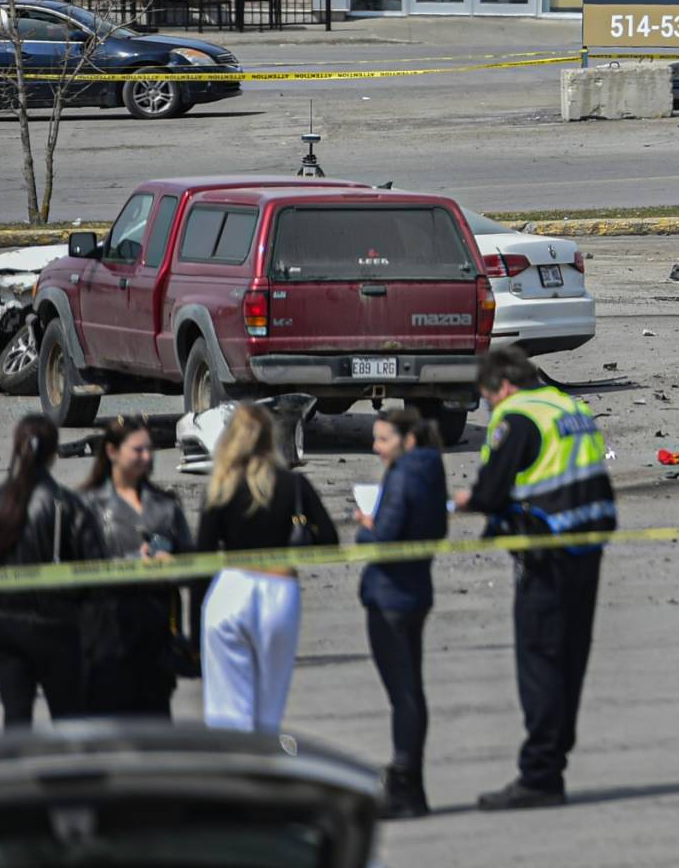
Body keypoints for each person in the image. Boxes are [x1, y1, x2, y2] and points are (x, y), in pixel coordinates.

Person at [458, 345, 615, 810]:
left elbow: (491, 492)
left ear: (503, 386)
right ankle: (554, 759)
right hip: (588, 545)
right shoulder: (569, 407)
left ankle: (540, 774)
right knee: (570, 658)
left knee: (540, 660)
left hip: (547, 554)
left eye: (488, 398)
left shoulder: (519, 416)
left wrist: (469, 500)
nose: (490, 408)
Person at [194, 402, 338, 733]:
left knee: (227, 711)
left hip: (231, 588)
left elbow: (202, 559)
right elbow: (329, 540)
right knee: (268, 711)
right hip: (278, 588)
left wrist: (193, 630)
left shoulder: (220, 487)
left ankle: (234, 761)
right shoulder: (292, 484)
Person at [0, 415, 104, 727]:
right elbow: (96, 573)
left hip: (5, 629)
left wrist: (1, 597)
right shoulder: (68, 506)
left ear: (17, 448)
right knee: (70, 721)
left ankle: (18, 761)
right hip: (59, 630)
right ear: (53, 455)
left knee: (16, 720)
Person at [357, 406, 447, 820]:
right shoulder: (432, 469)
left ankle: (405, 785)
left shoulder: (403, 474)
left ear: (407, 440)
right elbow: (438, 529)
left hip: (390, 597)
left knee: (403, 695)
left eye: (384, 439)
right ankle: (413, 785)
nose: (377, 448)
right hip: (416, 592)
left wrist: (365, 526)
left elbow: (385, 537)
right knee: (412, 691)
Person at [79, 415, 194, 718]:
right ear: (112, 452)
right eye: (137, 450)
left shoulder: (166, 506)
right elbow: (77, 568)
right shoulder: (88, 506)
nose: (146, 457)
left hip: (156, 637)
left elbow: (193, 562)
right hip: (107, 636)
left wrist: (173, 565)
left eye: (149, 450)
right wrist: (133, 563)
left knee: (156, 724)